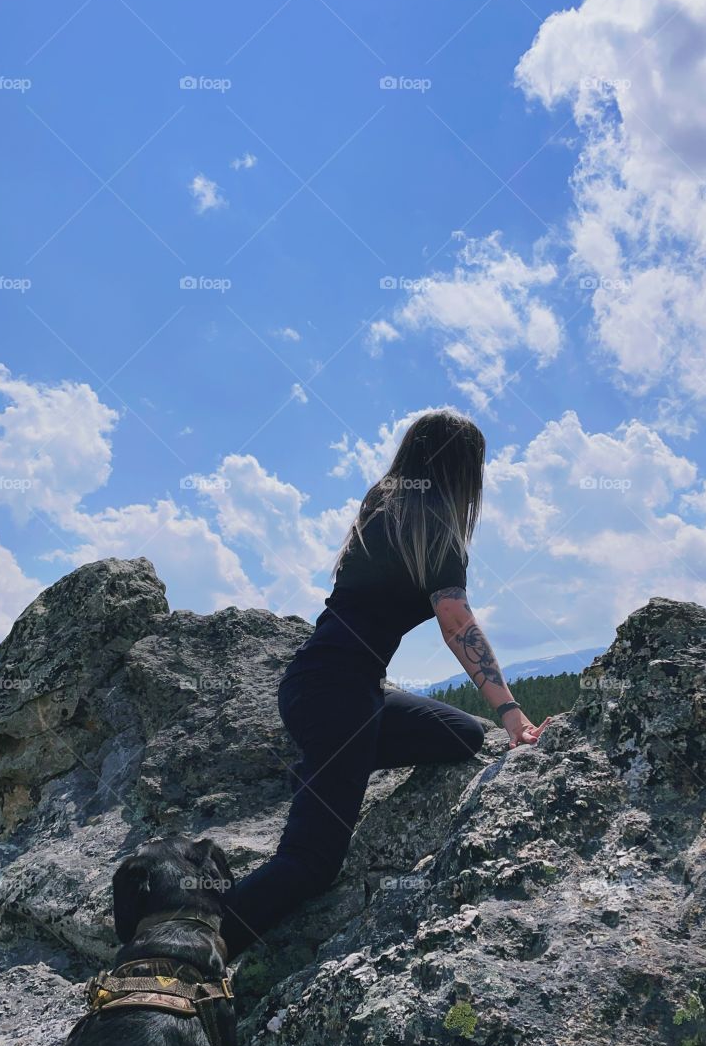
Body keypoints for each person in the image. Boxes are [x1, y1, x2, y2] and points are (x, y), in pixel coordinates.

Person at [220, 409, 548, 959]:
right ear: (465, 471)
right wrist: (512, 712)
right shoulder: (434, 529)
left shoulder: (382, 508)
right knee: (312, 864)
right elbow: (457, 625)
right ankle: (194, 943)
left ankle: (333, 770)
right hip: (336, 697)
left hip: (338, 692)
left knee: (461, 735)